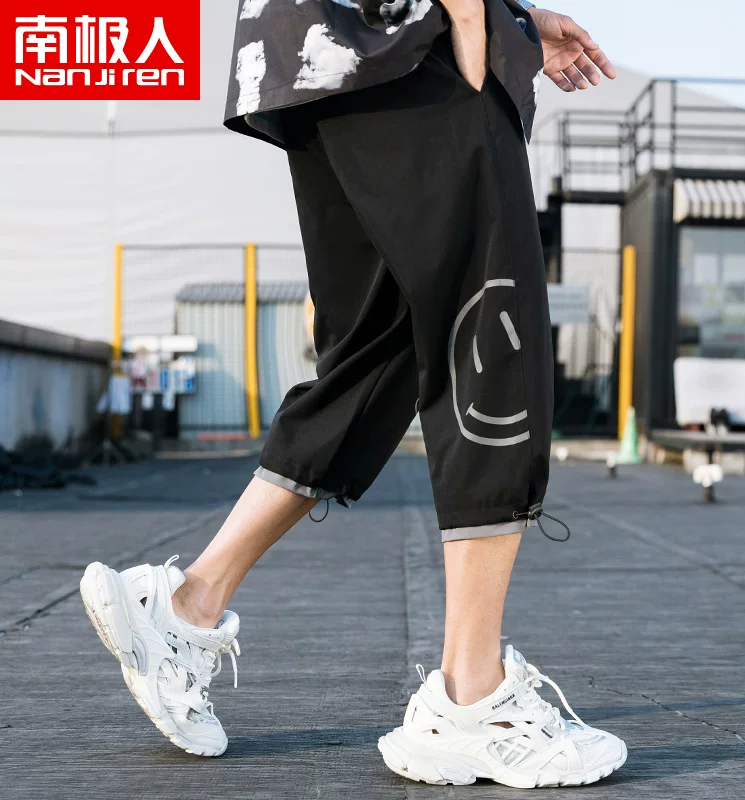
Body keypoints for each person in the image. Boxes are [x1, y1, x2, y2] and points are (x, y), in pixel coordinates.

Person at [80, 0, 624, 787]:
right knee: (491, 344)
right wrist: (471, 19)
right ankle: (471, 698)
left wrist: (512, 15)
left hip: (319, 47)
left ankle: (186, 606)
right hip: (414, 45)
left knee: (382, 348)